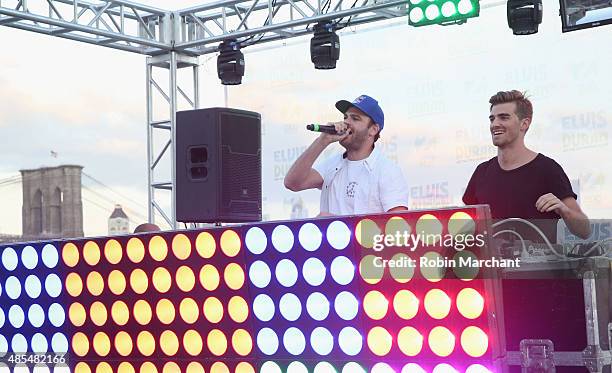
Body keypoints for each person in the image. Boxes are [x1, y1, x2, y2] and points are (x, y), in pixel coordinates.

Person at [463, 90, 590, 241]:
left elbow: (584, 231)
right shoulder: (482, 172)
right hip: (491, 264)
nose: (495, 124)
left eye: (504, 117)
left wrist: (563, 210)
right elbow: (465, 226)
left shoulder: (547, 169)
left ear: (524, 123)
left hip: (538, 265)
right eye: (492, 119)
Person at [284, 94, 409, 216]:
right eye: (345, 117)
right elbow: (293, 183)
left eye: (355, 118)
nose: (346, 122)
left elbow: (398, 227)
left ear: (373, 130)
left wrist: (340, 226)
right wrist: (323, 141)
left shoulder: (387, 171)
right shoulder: (332, 164)